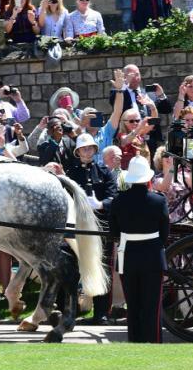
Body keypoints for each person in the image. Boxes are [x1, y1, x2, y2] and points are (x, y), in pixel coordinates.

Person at [108, 155, 169, 343]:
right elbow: (164, 232)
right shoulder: (158, 200)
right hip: (152, 255)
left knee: (133, 305)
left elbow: (114, 232)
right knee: (152, 305)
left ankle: (135, 341)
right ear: (148, 178)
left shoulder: (118, 201)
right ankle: (153, 341)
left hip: (128, 255)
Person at [68, 133, 118, 325]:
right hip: (77, 226)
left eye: (90, 148)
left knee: (101, 269)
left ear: (95, 150)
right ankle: (71, 312)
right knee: (73, 270)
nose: (87, 151)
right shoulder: (71, 173)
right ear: (78, 151)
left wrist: (100, 204)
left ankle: (101, 313)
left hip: (100, 227)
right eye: (83, 149)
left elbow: (113, 197)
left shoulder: (105, 172)